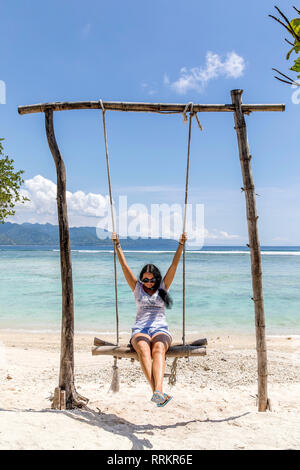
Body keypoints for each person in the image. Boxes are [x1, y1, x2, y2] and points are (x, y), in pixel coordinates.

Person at [111, 231, 187, 407]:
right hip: (140, 329)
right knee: (144, 350)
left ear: (157, 279)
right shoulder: (137, 288)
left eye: (152, 279)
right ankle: (158, 393)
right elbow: (124, 266)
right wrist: (117, 244)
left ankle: (157, 392)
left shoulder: (163, 287)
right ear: (141, 278)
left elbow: (174, 266)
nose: (149, 282)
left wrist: (181, 244)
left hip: (160, 328)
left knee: (158, 349)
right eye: (145, 279)